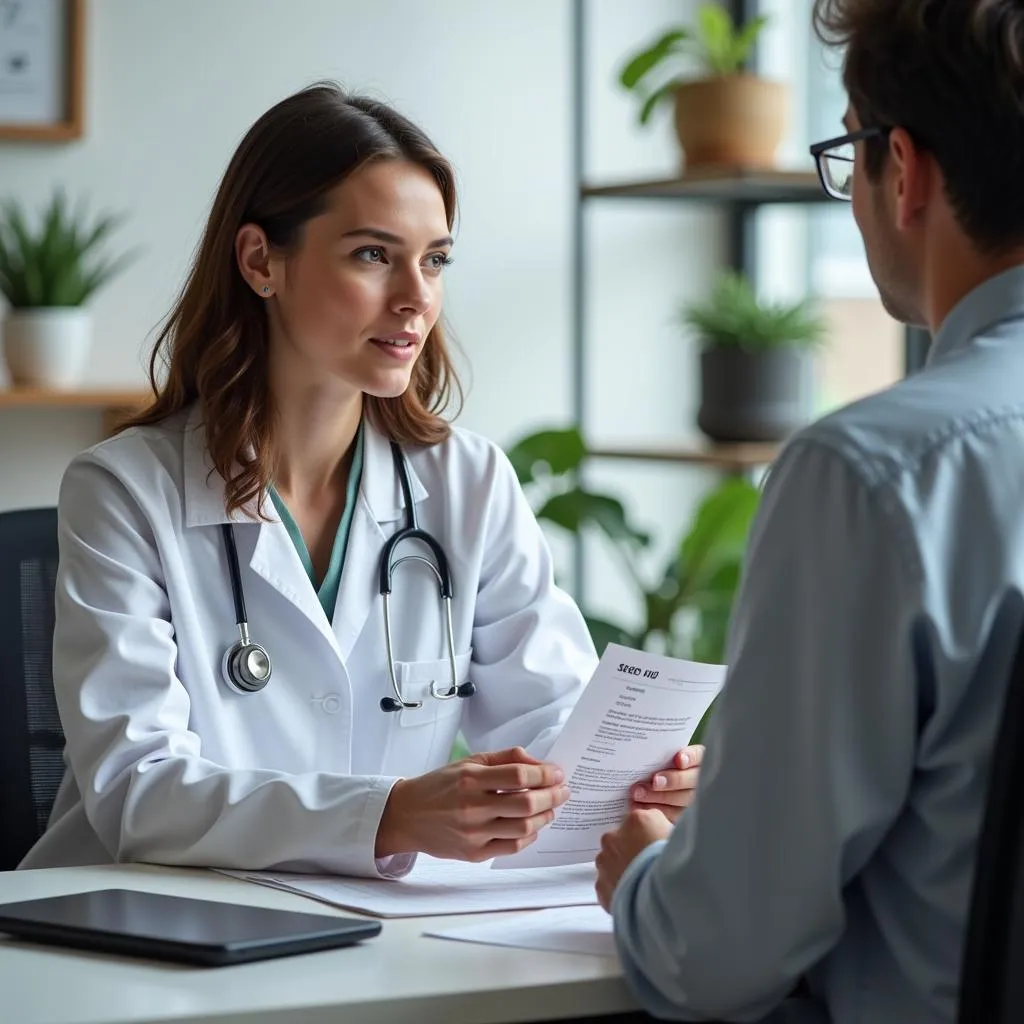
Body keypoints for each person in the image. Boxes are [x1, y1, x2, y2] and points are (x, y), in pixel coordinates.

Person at [21, 83, 700, 877]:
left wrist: (626, 778)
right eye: (373, 255)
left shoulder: (466, 482)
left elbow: (550, 723)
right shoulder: (125, 492)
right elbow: (140, 791)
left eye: (435, 260)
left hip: (369, 929)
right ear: (259, 260)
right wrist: (390, 814)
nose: (417, 298)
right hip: (142, 934)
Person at [595, 1, 1024, 1022]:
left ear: (904, 171)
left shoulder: (878, 472)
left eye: (849, 158)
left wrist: (647, 880)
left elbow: (716, 953)